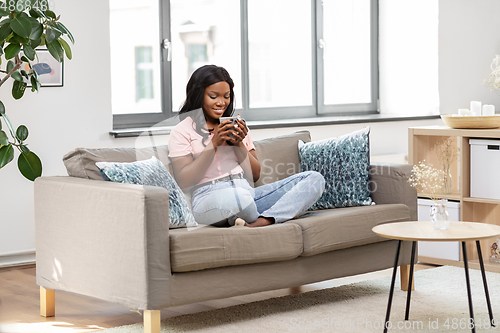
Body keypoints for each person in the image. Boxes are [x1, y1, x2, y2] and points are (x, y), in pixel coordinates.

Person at [168, 65, 325, 227]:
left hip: (246, 191)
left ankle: (261, 221)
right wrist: (214, 144)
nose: (221, 103)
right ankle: (270, 214)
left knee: (314, 179)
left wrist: (238, 143)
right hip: (208, 197)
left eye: (226, 96)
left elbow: (255, 175)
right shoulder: (181, 131)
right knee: (241, 201)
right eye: (213, 96)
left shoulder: (236, 126)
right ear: (198, 95)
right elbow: (184, 180)